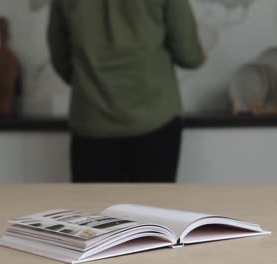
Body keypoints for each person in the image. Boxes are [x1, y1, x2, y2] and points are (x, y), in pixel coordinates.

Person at [48, 0, 205, 183]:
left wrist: (86, 82)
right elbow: (188, 54)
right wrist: (199, 55)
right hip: (155, 119)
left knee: (92, 208)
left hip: (92, 119)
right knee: (153, 207)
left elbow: (59, 54)